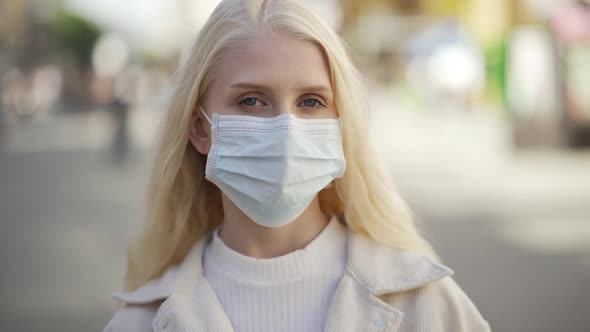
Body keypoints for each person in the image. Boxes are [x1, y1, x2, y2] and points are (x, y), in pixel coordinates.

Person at [103, 0, 491, 331]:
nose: (287, 130)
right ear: (200, 129)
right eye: (252, 101)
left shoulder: (426, 304)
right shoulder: (138, 322)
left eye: (310, 102)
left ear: (341, 124)